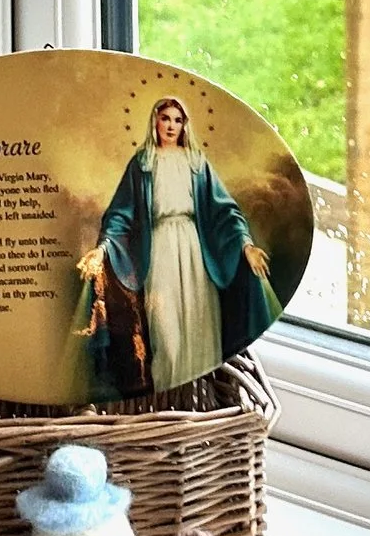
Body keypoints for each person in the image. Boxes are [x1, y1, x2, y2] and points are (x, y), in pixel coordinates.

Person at [78, 95, 279, 400]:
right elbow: (120, 214)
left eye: (177, 120)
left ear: (185, 125)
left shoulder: (196, 163)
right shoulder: (143, 163)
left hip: (193, 248)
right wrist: (103, 248)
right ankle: (165, 401)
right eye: (165, 118)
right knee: (166, 333)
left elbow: (225, 211)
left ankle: (198, 399)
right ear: (155, 122)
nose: (171, 126)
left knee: (200, 327)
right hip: (160, 248)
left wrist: (246, 245)